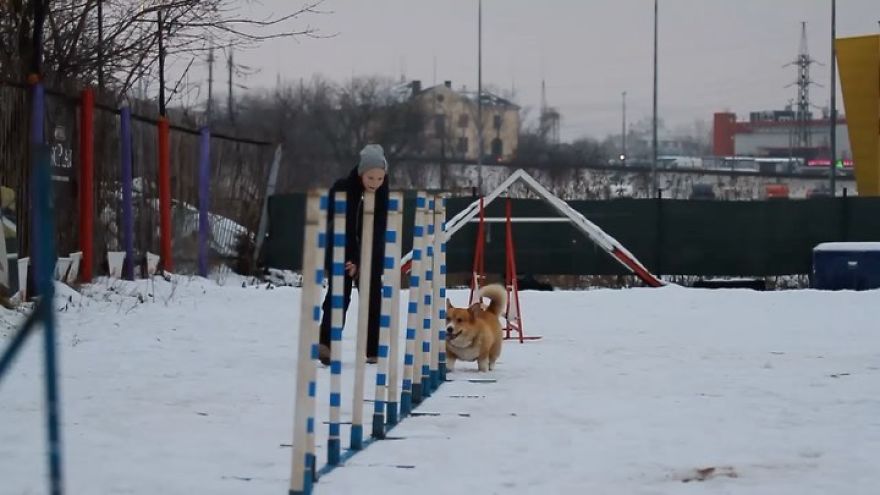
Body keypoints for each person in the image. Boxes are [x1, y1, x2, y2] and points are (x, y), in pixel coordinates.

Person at [318, 144, 390, 365]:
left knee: (373, 297)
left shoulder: (383, 193)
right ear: (361, 173)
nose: (375, 183)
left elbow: (378, 229)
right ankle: (326, 343)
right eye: (371, 178)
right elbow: (344, 226)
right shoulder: (344, 189)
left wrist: (362, 260)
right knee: (339, 294)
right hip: (341, 248)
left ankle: (373, 348)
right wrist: (351, 259)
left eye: (380, 178)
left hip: (371, 252)